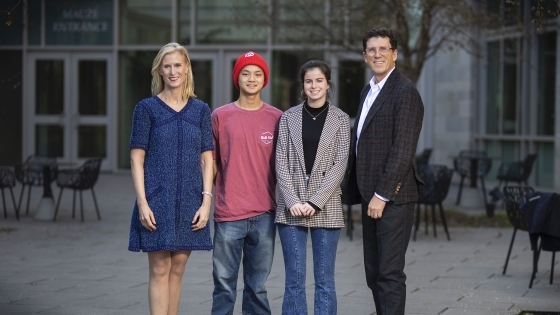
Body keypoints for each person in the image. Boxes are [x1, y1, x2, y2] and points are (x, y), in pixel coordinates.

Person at [341, 28, 425, 315]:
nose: (378, 54)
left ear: (395, 54)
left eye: (383, 49)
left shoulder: (405, 93)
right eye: (372, 50)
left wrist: (382, 195)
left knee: (389, 274)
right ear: (365, 56)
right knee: (373, 272)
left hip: (392, 198)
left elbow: (403, 150)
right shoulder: (369, 90)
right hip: (370, 195)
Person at [128, 42, 214, 315]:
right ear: (160, 71)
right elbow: (136, 159)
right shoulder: (146, 109)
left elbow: (207, 158)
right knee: (160, 267)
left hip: (190, 199)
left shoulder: (201, 110)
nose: (173, 71)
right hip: (156, 198)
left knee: (178, 267)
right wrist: (142, 203)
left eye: (178, 65)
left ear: (186, 68)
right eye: (167, 66)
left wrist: (206, 202)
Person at [275, 60, 350, 315]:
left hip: (326, 205)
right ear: (302, 85)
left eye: (319, 80)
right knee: (294, 281)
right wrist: (292, 199)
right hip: (291, 206)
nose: (314, 86)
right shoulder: (288, 118)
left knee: (325, 281)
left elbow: (340, 164)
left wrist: (315, 201)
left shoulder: (340, 120)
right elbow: (280, 161)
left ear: (328, 84)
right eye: (309, 81)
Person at [211, 51, 282, 315]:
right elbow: (211, 163)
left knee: (257, 286)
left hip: (264, 213)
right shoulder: (220, 116)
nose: (251, 79)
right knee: (224, 284)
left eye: (257, 74)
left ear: (264, 79)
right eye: (245, 73)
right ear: (236, 78)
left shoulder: (277, 118)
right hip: (228, 212)